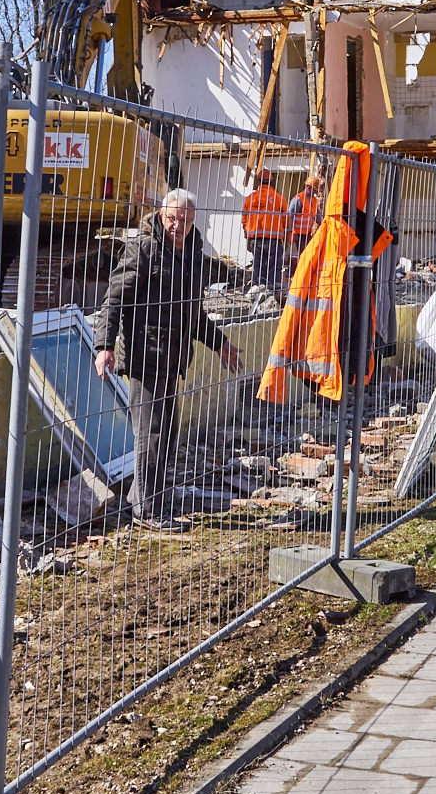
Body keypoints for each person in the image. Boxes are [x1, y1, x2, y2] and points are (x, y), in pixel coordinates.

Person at [94, 190, 242, 530]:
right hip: (146, 354)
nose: (179, 225)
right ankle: (148, 511)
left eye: (186, 220)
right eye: (173, 218)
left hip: (173, 357)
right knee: (152, 433)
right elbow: (114, 299)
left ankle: (141, 499)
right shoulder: (143, 249)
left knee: (167, 433)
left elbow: (193, 313)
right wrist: (104, 345)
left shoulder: (191, 254)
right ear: (161, 214)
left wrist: (219, 344)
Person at [240, 168, 290, 292]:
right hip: (274, 240)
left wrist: (247, 234)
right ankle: (272, 292)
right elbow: (286, 220)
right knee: (273, 267)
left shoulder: (250, 198)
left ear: (258, 181)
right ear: (271, 181)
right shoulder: (279, 198)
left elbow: (244, 219)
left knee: (258, 265)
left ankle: (257, 290)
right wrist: (288, 237)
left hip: (256, 239)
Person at [287, 169, 326, 251]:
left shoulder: (314, 200)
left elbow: (317, 216)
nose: (315, 193)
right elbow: (290, 217)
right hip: (298, 234)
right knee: (302, 254)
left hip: (307, 234)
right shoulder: (298, 199)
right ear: (309, 188)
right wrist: (290, 233)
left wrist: (325, 225)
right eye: (315, 190)